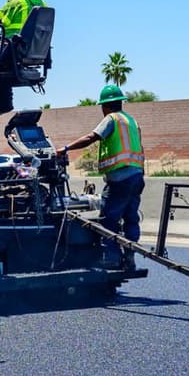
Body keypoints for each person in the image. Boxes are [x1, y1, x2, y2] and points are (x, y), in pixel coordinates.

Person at [54, 84, 146, 270]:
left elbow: (92, 137)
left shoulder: (111, 119)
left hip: (120, 180)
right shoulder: (132, 121)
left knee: (108, 219)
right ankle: (129, 257)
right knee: (131, 218)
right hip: (137, 176)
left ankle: (111, 258)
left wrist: (66, 148)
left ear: (105, 106)